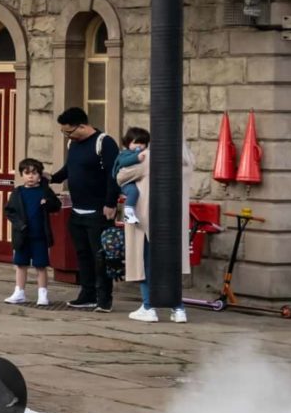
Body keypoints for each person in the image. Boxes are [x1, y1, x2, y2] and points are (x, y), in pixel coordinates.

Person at [47, 107, 121, 310]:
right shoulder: (74, 143)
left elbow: (113, 175)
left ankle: (104, 298)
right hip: (77, 209)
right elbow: (69, 168)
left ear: (82, 126)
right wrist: (51, 178)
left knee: (100, 255)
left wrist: (110, 202)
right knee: (82, 254)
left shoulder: (103, 142)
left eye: (68, 132)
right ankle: (87, 293)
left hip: (98, 210)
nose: (66, 136)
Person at [118, 128, 190, 322]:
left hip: (148, 220)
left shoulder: (149, 157)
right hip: (174, 222)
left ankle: (149, 306)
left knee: (145, 264)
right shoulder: (186, 162)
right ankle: (178, 308)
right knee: (171, 265)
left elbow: (121, 175)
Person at [4, 158, 58, 306]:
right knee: (21, 264)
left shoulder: (44, 191)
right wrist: (19, 225)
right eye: (27, 173)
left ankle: (42, 294)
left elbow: (56, 205)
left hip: (40, 235)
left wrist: (47, 202)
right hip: (22, 235)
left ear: (40, 175)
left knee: (41, 265)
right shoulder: (18, 192)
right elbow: (9, 211)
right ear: (22, 175)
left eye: (34, 173)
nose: (31, 176)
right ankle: (19, 292)